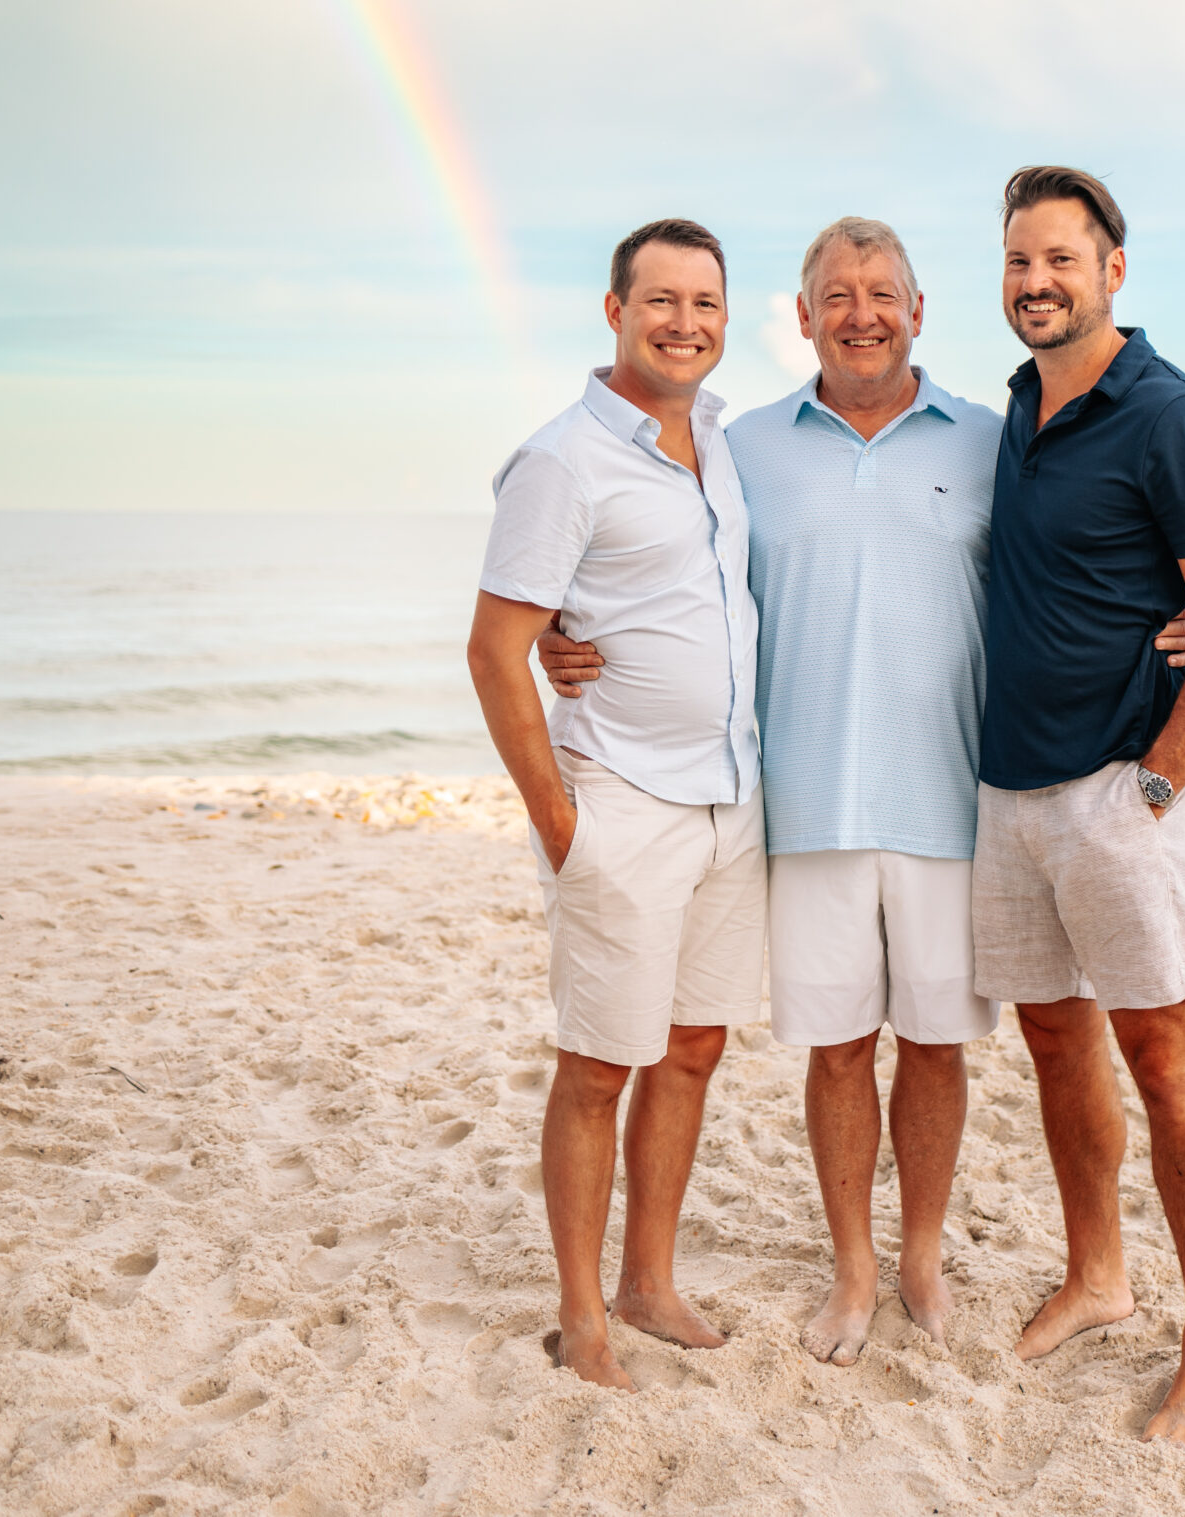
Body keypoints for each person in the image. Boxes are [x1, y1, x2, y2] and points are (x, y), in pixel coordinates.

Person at [537, 217, 1185, 1368]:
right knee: (837, 1047)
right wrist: (561, 625)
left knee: (936, 1045)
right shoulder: (740, 445)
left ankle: (921, 1256)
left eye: (881, 292)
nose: (860, 312)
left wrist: (1177, 619)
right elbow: (660, 556)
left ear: (916, 309)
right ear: (800, 317)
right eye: (835, 294)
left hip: (958, 802)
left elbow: (1084, 560)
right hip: (800, 809)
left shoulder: (999, 441)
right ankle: (854, 1265)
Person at [972, 166, 1185, 1448]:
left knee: (1164, 1059)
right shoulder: (1015, 407)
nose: (1035, 282)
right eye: (1016, 262)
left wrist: (1154, 786)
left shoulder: (1170, 415)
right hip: (1004, 792)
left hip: (1114, 792)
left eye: (1059, 259)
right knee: (1052, 1040)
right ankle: (1098, 1274)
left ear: (1111, 271)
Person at [465, 218, 763, 1393]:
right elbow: (495, 649)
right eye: (660, 301)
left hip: (731, 800)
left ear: (725, 318)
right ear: (613, 310)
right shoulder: (561, 461)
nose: (683, 322)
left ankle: (649, 1278)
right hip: (619, 799)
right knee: (598, 1063)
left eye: (704, 302)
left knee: (690, 1050)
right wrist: (558, 817)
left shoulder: (728, 443)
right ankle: (583, 1312)